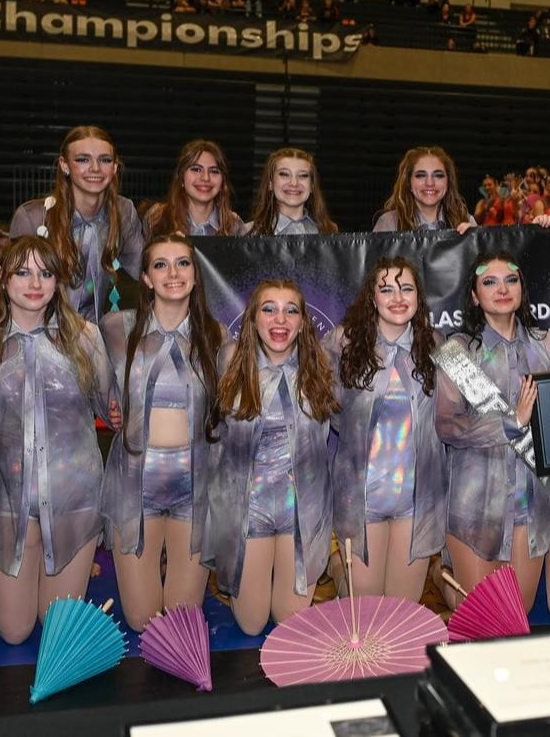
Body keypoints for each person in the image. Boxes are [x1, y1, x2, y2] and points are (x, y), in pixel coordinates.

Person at [0, 236, 114, 644]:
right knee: (16, 631)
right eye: (23, 272)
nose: (35, 283)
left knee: (58, 628)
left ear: (57, 281)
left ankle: (58, 586)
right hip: (8, 498)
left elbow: (112, 406)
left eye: (45, 273)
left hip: (73, 496)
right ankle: (6, 601)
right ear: (1, 277)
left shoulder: (85, 337)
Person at [99, 236, 227, 631]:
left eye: (183, 263)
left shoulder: (218, 336)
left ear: (195, 274)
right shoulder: (116, 328)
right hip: (135, 487)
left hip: (194, 489)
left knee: (178, 622)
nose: (173, 273)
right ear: (145, 277)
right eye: (161, 265)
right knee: (141, 621)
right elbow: (90, 386)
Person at [435, 251, 550, 610]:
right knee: (482, 617)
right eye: (489, 282)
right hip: (475, 506)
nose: (502, 289)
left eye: (511, 280)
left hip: (531, 505)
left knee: (516, 615)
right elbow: (448, 425)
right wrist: (511, 422)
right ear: (474, 296)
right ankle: (443, 576)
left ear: (522, 289)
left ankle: (445, 579)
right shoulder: (457, 351)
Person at [204, 280, 339, 634]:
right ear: (252, 318)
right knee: (251, 624)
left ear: (303, 322)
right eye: (269, 309)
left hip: (301, 512)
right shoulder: (230, 360)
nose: (280, 319)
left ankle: (332, 568)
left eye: (291, 310)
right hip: (250, 510)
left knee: (289, 624)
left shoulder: (322, 365)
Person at [325, 258, 445, 601]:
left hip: (416, 501)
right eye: (387, 289)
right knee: (365, 608)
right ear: (372, 297)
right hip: (362, 499)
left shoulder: (438, 345)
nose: (398, 297)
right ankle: (337, 567)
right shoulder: (342, 342)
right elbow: (327, 407)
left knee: (401, 611)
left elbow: (464, 410)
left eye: (406, 288)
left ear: (419, 297)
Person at [10, 126, 144, 324]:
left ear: (115, 167)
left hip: (99, 326)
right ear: (64, 165)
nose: (95, 168)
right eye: (83, 159)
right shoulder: (34, 217)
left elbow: (143, 273)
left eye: (105, 160)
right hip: (41, 325)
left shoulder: (124, 212)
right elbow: (13, 286)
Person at [145, 139, 246, 238]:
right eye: (196, 169)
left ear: (223, 181)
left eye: (214, 171)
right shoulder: (156, 218)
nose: (205, 178)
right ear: (181, 177)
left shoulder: (234, 226)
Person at [373, 147, 475, 232]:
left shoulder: (466, 221)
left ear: (448, 182)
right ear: (408, 183)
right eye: (421, 175)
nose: (430, 183)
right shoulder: (389, 222)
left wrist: (475, 241)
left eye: (438, 175)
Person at [244, 148, 339, 235]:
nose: (294, 183)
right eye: (284, 174)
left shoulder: (329, 231)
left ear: (312, 186)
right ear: (270, 183)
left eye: (303, 175)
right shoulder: (249, 232)